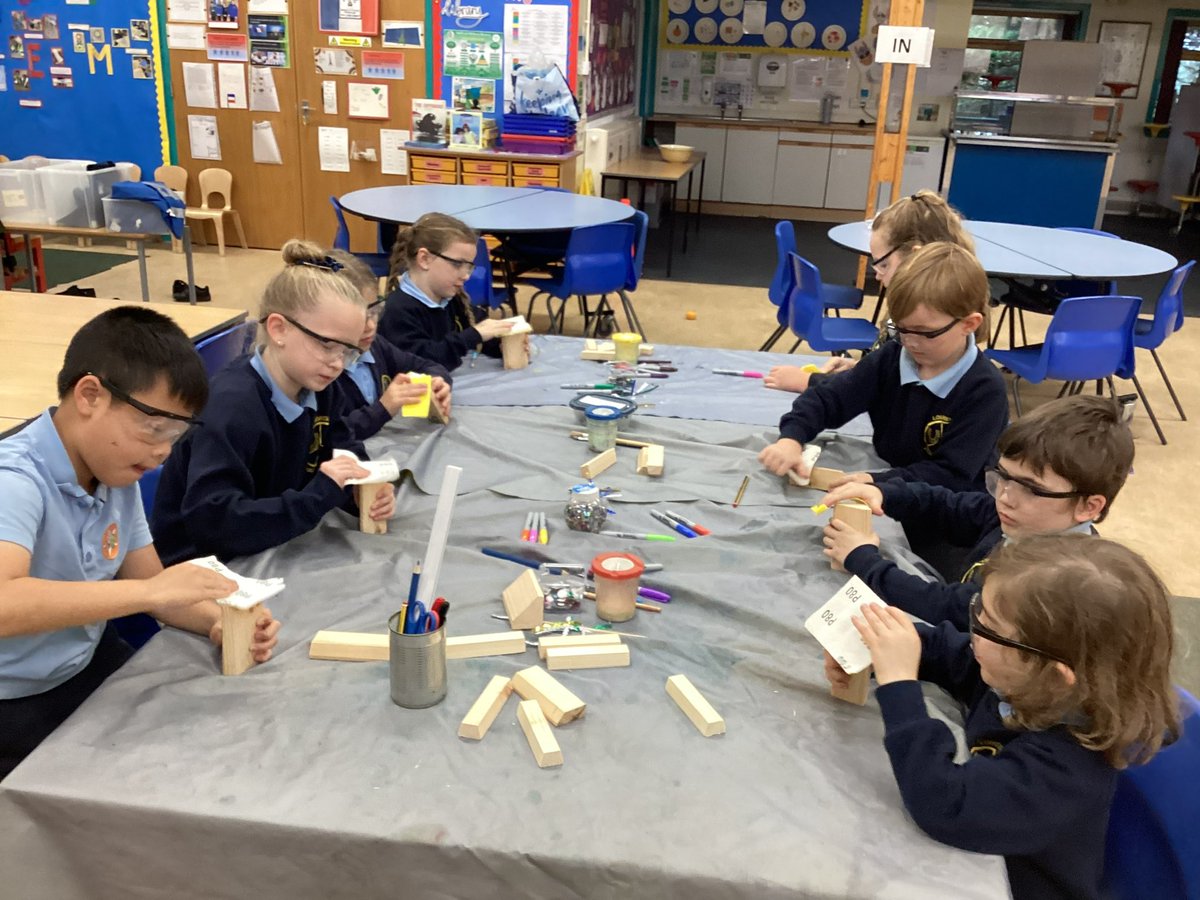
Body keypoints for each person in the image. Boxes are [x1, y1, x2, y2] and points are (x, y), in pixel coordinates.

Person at [0, 307, 280, 779]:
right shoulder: (16, 481)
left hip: (87, 662)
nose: (163, 453)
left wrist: (219, 622)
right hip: (14, 700)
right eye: (154, 430)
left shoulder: (113, 473)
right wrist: (152, 593)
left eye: (175, 436)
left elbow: (155, 587)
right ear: (90, 395)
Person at [832, 534, 1180, 899]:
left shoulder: (1066, 772)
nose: (973, 632)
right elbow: (955, 655)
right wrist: (878, 648)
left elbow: (946, 804)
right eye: (977, 611)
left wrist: (898, 683)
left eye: (988, 627)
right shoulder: (1027, 682)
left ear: (1054, 674)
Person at [152, 240, 395, 564]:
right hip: (206, 566)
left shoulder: (321, 385)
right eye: (327, 345)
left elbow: (342, 443)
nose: (338, 363)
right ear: (279, 329)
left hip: (273, 544)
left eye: (348, 351)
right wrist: (320, 493)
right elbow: (214, 523)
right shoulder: (232, 408)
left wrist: (360, 484)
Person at [821, 395, 1133, 630]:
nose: (1005, 498)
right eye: (1002, 476)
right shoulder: (1024, 519)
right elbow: (949, 506)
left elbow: (948, 608)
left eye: (1031, 488)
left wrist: (864, 559)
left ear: (1088, 506)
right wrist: (885, 492)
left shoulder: (1057, 584)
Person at [758, 241, 1007, 494]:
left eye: (925, 333)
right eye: (901, 329)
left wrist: (878, 482)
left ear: (969, 324)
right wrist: (791, 437)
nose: (910, 342)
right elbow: (829, 398)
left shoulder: (984, 391)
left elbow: (951, 475)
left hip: (947, 510)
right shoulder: (893, 356)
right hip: (891, 481)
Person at [764, 191, 976, 394]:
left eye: (884, 265)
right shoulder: (914, 306)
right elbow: (889, 368)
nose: (877, 276)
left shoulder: (927, 319)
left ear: (914, 257)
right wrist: (858, 367)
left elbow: (890, 389)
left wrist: (810, 382)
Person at [325, 249, 453, 442]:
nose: (370, 326)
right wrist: (384, 408)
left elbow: (426, 365)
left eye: (374, 311)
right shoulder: (322, 370)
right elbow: (332, 436)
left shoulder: (376, 346)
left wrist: (437, 383)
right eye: (358, 315)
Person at [377, 212, 515, 370]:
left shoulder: (450, 299)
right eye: (457, 264)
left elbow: (479, 330)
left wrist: (502, 343)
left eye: (469, 266)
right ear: (425, 259)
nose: (466, 276)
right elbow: (422, 362)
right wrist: (472, 336)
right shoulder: (397, 311)